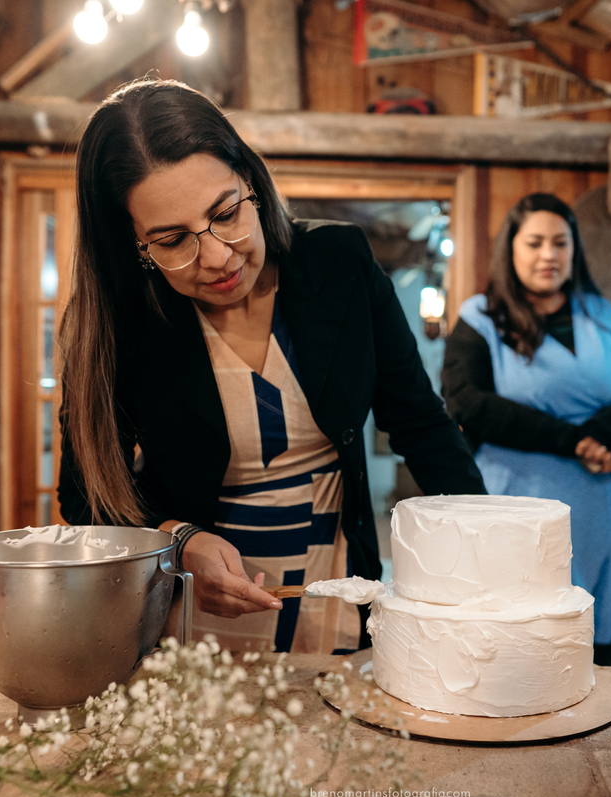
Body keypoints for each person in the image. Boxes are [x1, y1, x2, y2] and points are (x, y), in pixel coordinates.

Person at [57, 79, 485, 655]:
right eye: (173, 240)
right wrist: (179, 541)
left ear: (252, 182)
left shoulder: (338, 264)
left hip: (333, 596)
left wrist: (490, 546)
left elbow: (422, 425)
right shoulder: (120, 322)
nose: (217, 256)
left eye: (226, 212)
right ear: (135, 246)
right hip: (190, 618)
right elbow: (84, 494)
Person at [440, 193, 611, 667]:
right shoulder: (482, 319)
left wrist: (607, 433)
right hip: (519, 505)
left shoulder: (603, 315)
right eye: (535, 242)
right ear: (511, 249)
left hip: (608, 501)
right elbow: (468, 403)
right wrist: (576, 441)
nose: (549, 255)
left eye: (560, 242)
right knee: (523, 651)